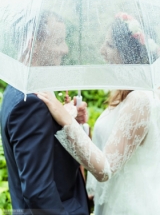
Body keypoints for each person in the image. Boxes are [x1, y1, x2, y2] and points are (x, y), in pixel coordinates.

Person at [36, 13, 160, 215]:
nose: (102, 51)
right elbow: (112, 151)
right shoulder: (124, 94)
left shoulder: (140, 99)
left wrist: (65, 119)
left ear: (127, 53)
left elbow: (105, 169)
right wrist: (81, 126)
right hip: (112, 204)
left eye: (110, 45)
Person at [0, 11, 90, 215]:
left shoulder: (17, 90)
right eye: (59, 41)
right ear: (32, 43)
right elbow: (39, 192)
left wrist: (68, 122)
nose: (65, 49)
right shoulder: (30, 102)